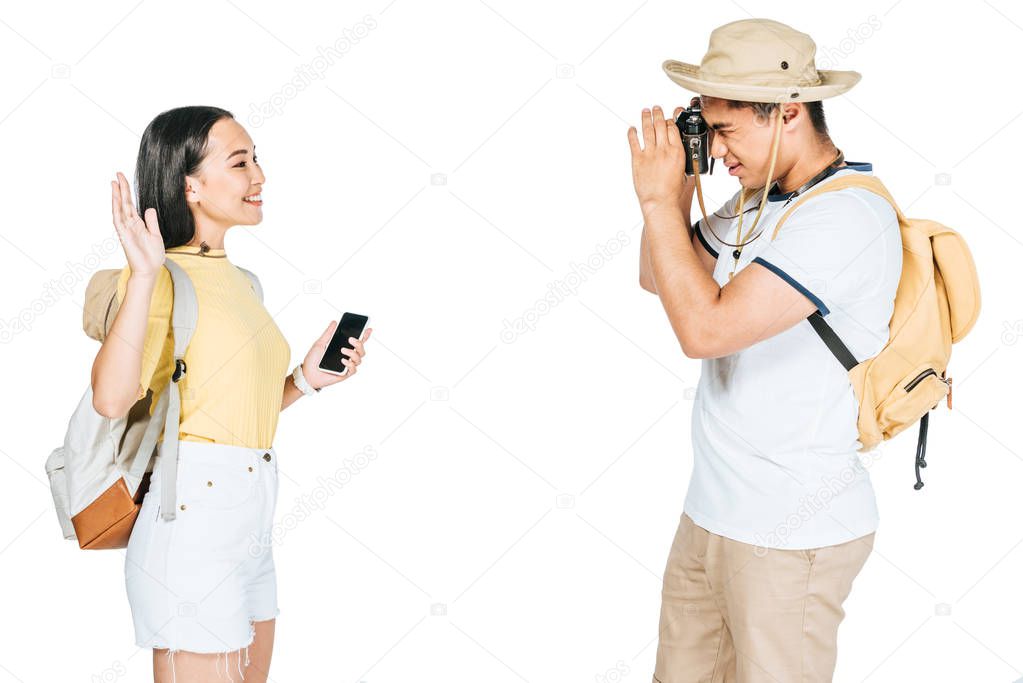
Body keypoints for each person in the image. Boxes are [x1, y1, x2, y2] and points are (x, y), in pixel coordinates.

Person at [626, 19, 902, 683]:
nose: (717, 150)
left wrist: (659, 200)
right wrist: (681, 188)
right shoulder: (758, 202)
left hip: (790, 533)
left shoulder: (842, 218)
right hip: (711, 516)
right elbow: (656, 275)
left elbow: (704, 330)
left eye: (725, 131)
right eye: (707, 131)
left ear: (786, 113)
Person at [90, 105, 373, 682]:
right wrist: (142, 278)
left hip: (250, 517)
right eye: (240, 162)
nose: (259, 176)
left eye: (256, 159)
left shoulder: (241, 282)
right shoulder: (156, 276)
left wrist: (302, 382)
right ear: (189, 184)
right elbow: (111, 399)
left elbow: (222, 408)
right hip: (192, 520)